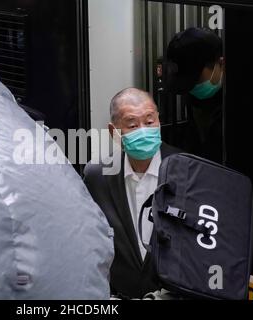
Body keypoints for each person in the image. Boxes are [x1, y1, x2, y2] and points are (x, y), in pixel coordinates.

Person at [83, 88, 180, 299]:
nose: (144, 130)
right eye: (133, 125)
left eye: (150, 121)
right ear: (114, 131)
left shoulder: (186, 171)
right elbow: (91, 242)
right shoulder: (97, 175)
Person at [163, 27, 224, 163]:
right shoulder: (194, 95)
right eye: (186, 84)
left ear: (221, 64)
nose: (192, 88)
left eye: (195, 80)